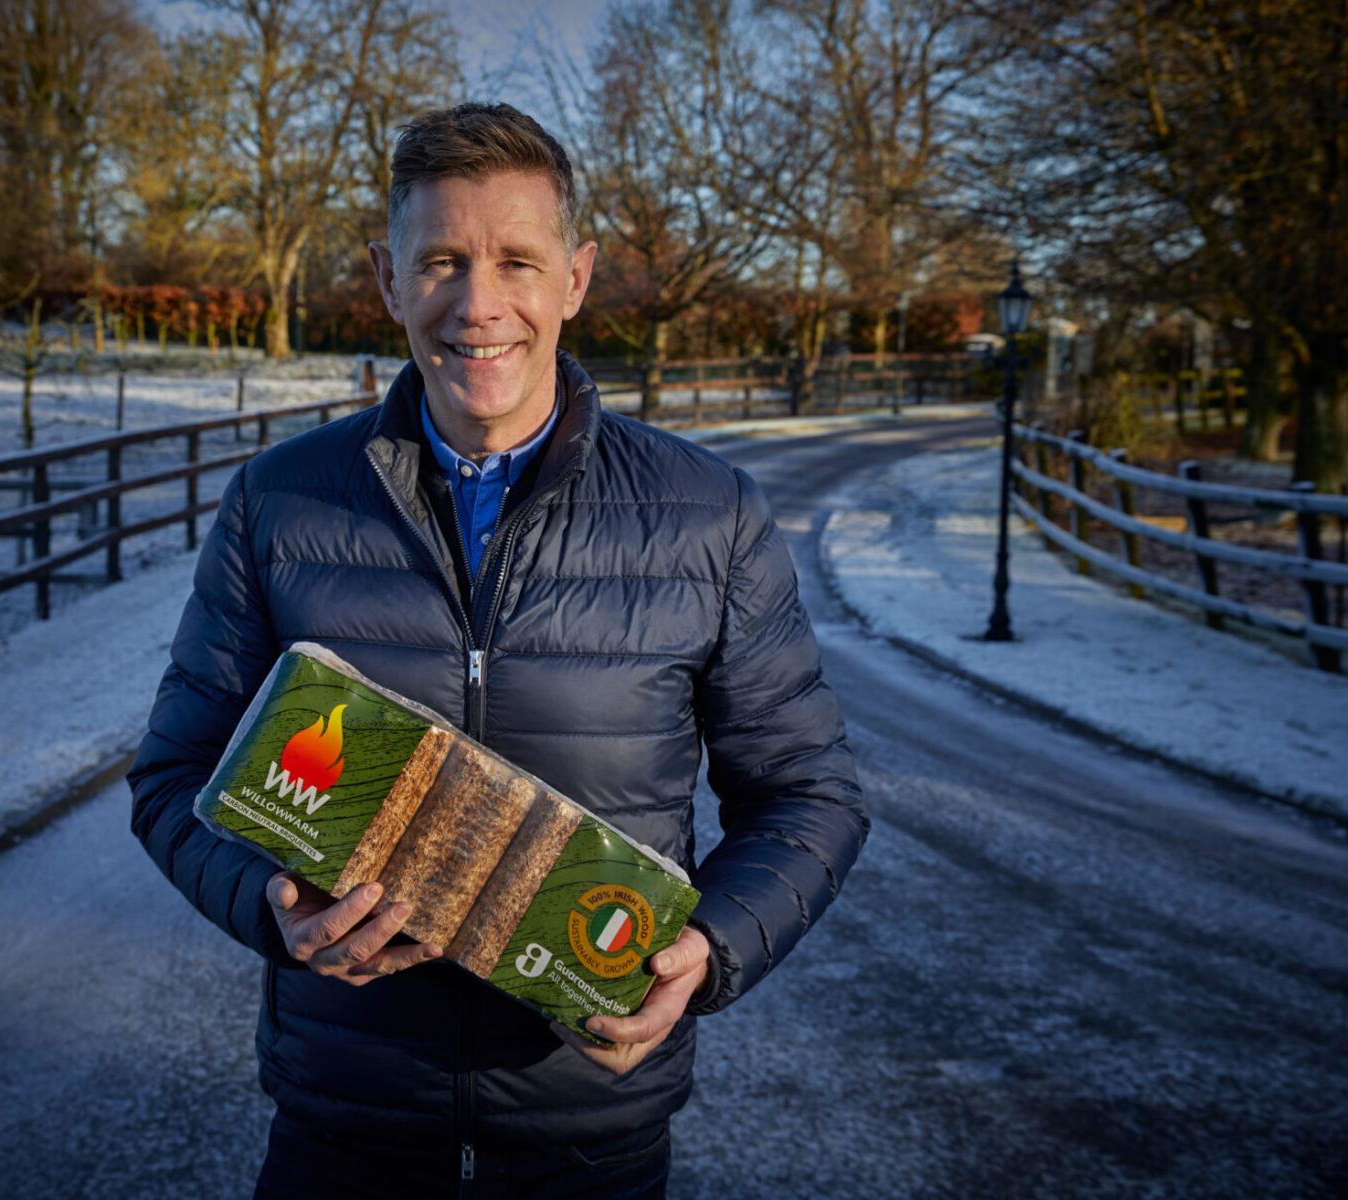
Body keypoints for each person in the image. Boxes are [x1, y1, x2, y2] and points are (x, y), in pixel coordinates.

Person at [129, 101, 869, 1198]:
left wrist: (706, 951)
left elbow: (810, 794)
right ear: (388, 280)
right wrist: (270, 911)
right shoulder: (277, 503)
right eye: (440, 261)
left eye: (515, 261)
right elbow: (173, 779)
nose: (477, 306)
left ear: (574, 279)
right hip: (344, 1130)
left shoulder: (706, 515)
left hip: (589, 1134)